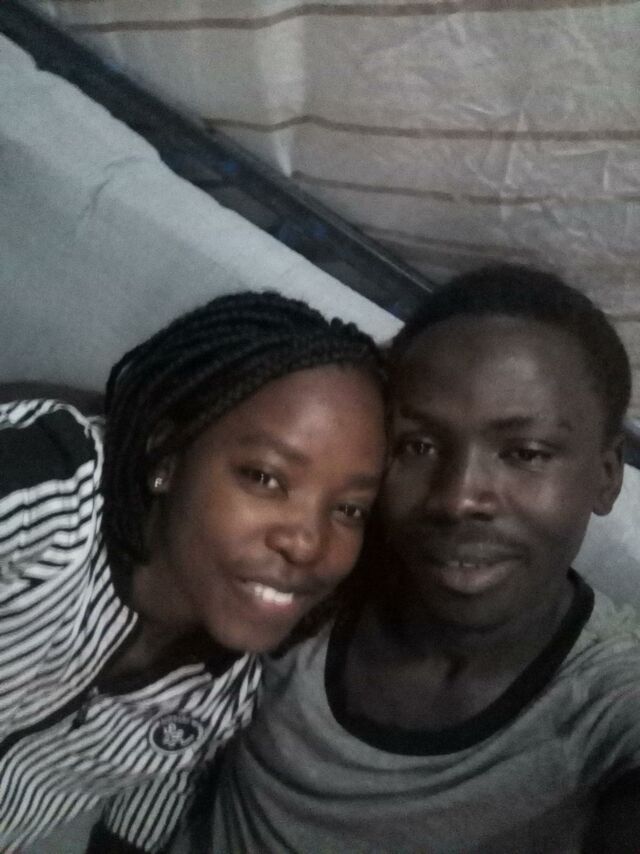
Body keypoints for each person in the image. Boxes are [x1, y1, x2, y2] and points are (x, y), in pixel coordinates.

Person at [205, 266, 640, 853]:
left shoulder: (611, 704)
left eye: (526, 453)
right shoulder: (307, 572)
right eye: (419, 445)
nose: (458, 498)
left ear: (607, 475)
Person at [0, 291, 387, 853]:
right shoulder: (51, 496)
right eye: (264, 477)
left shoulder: (225, 699)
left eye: (349, 510)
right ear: (168, 457)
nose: (308, 543)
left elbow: (130, 837)